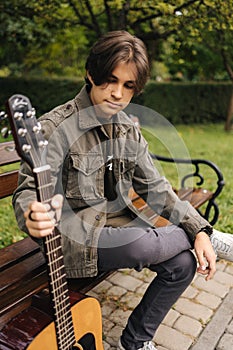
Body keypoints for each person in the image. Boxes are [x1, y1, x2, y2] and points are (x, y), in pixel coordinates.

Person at [13, 31, 233, 350]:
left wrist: (195, 226)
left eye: (128, 86)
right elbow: (27, 191)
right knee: (140, 245)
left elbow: (156, 188)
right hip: (73, 238)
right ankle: (210, 237)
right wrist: (32, 214)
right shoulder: (53, 127)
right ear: (91, 73)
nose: (117, 93)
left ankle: (136, 340)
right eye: (110, 80)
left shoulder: (127, 128)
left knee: (182, 265)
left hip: (113, 226)